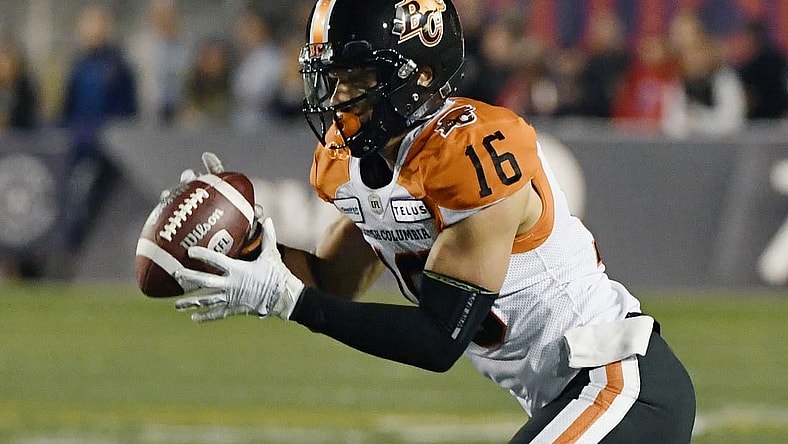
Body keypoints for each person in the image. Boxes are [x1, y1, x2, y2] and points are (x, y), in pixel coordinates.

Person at [171, 1, 696, 442]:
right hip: (563, 395)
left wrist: (291, 302)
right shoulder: (352, 163)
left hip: (620, 382)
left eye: (356, 76)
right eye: (332, 78)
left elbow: (438, 340)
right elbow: (332, 280)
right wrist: (244, 248)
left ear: (418, 73)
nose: (338, 97)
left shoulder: (472, 150)